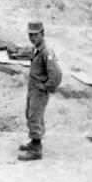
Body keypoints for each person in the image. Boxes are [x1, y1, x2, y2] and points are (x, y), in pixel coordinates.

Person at [19, 20, 62, 161]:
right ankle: (33, 142)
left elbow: (56, 74)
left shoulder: (46, 52)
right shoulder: (36, 49)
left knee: (34, 116)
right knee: (31, 114)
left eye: (35, 35)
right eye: (30, 35)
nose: (32, 38)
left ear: (42, 34)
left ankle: (36, 150)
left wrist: (47, 87)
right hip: (33, 89)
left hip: (39, 91)